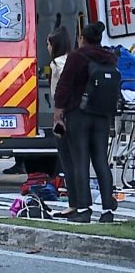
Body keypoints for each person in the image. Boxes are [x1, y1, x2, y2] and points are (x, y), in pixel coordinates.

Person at [54, 22, 119, 223]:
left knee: (80, 161)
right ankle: (108, 210)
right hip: (102, 115)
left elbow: (64, 86)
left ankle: (83, 209)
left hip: (78, 115)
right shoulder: (110, 58)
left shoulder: (76, 57)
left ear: (83, 39)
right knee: (101, 161)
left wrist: (58, 114)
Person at [45, 26, 78, 219]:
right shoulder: (75, 60)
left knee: (67, 162)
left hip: (64, 117)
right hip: (78, 115)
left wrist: (57, 118)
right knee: (79, 161)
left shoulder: (57, 64)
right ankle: (82, 203)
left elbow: (58, 94)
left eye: (49, 44)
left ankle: (73, 203)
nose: (47, 48)